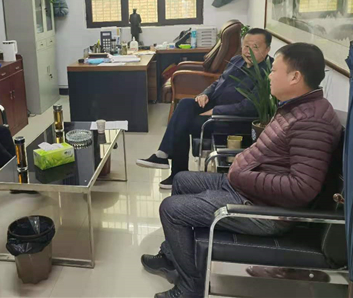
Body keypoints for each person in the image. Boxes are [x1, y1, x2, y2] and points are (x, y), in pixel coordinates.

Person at [141, 43, 342, 298]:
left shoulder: (311, 121)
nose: (269, 76)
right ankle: (171, 256)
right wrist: (242, 169)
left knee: (171, 209)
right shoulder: (295, 107)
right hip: (248, 189)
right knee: (181, 180)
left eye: (274, 70)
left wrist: (244, 175)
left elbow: (302, 188)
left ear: (295, 77)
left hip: (266, 210)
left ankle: (191, 287)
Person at [137, 28, 273, 189]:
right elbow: (218, 82)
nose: (248, 52)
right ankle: (163, 155)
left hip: (230, 119)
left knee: (183, 122)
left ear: (267, 49)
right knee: (185, 104)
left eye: (255, 47)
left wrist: (215, 111)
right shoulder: (237, 60)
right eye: (245, 46)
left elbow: (249, 107)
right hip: (214, 104)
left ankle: (174, 170)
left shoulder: (267, 72)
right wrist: (204, 94)